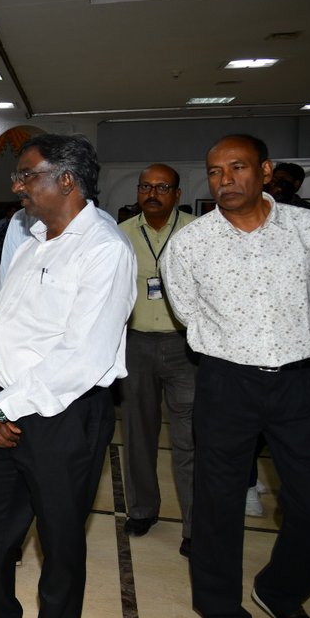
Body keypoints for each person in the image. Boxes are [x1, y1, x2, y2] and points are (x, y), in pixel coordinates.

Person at [0, 134, 136, 618]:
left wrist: (5, 408)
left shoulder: (104, 249)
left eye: (28, 175)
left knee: (59, 544)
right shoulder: (30, 243)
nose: (17, 186)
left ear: (67, 180)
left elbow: (85, 354)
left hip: (63, 418)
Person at [161, 133, 310, 618]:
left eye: (236, 168)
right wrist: (240, 350)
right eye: (214, 172)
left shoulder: (309, 229)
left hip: (301, 382)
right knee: (216, 506)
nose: (224, 180)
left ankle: (281, 591)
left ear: (264, 171)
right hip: (227, 383)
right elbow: (188, 314)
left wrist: (284, 347)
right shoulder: (190, 244)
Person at [117, 164, 196, 558]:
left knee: (189, 439)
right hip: (136, 344)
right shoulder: (123, 233)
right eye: (146, 186)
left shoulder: (197, 232)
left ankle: (196, 525)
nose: (153, 193)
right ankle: (143, 510)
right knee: (138, 432)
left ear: (177, 194)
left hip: (186, 348)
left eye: (162, 187)